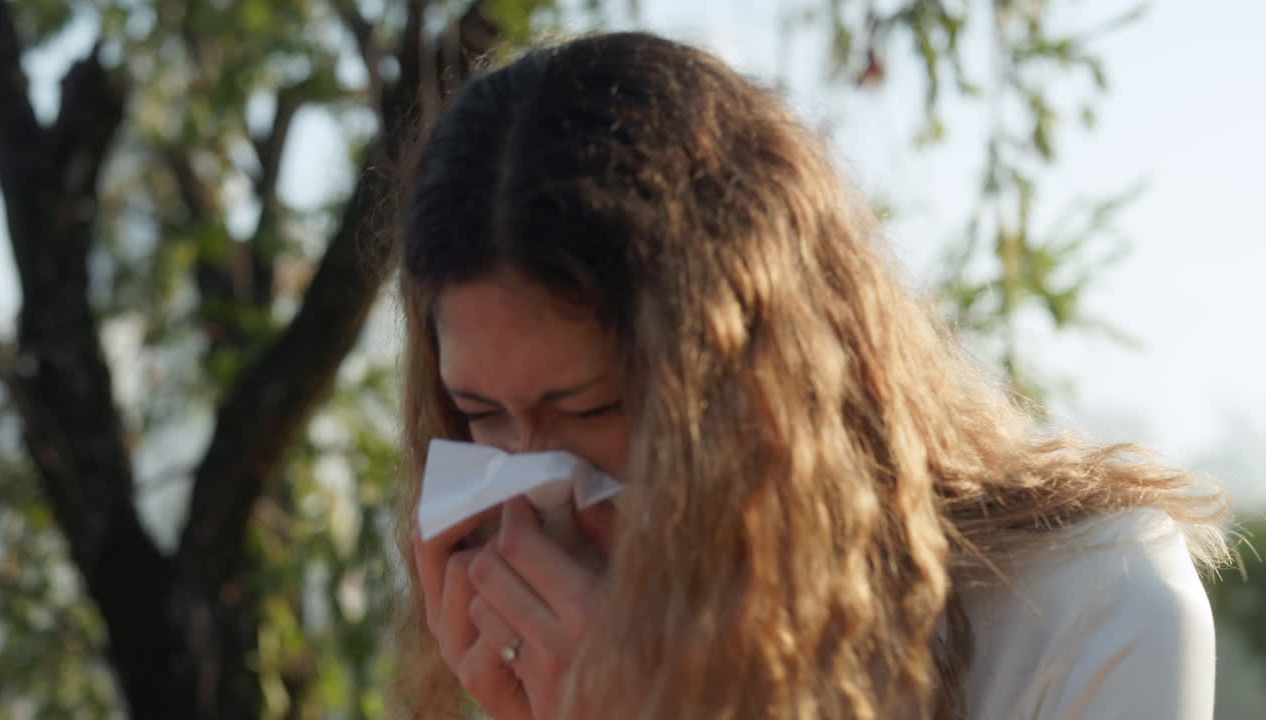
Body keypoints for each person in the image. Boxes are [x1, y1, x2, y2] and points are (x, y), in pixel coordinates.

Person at [392, 32, 1228, 720]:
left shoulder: (1091, 611)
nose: (532, 484)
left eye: (591, 408)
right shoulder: (547, 667)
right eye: (479, 416)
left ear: (749, 381)